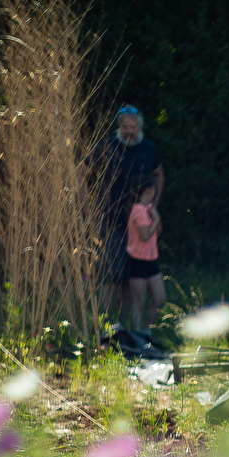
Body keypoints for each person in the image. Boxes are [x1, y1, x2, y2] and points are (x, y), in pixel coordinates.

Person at [92, 105, 164, 311]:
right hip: (110, 222)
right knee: (108, 275)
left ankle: (125, 330)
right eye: (125, 127)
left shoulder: (149, 149)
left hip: (138, 226)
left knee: (131, 277)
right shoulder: (107, 146)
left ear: (140, 126)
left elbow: (159, 175)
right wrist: (87, 210)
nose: (129, 131)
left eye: (133, 126)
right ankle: (106, 325)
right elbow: (81, 172)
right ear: (119, 127)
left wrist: (153, 207)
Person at [124, 182, 165, 331]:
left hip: (151, 259)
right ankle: (136, 334)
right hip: (138, 260)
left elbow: (157, 232)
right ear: (148, 190)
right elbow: (145, 235)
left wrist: (156, 219)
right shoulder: (138, 210)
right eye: (154, 189)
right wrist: (155, 220)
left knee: (160, 298)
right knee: (139, 301)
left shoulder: (149, 209)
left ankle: (146, 331)